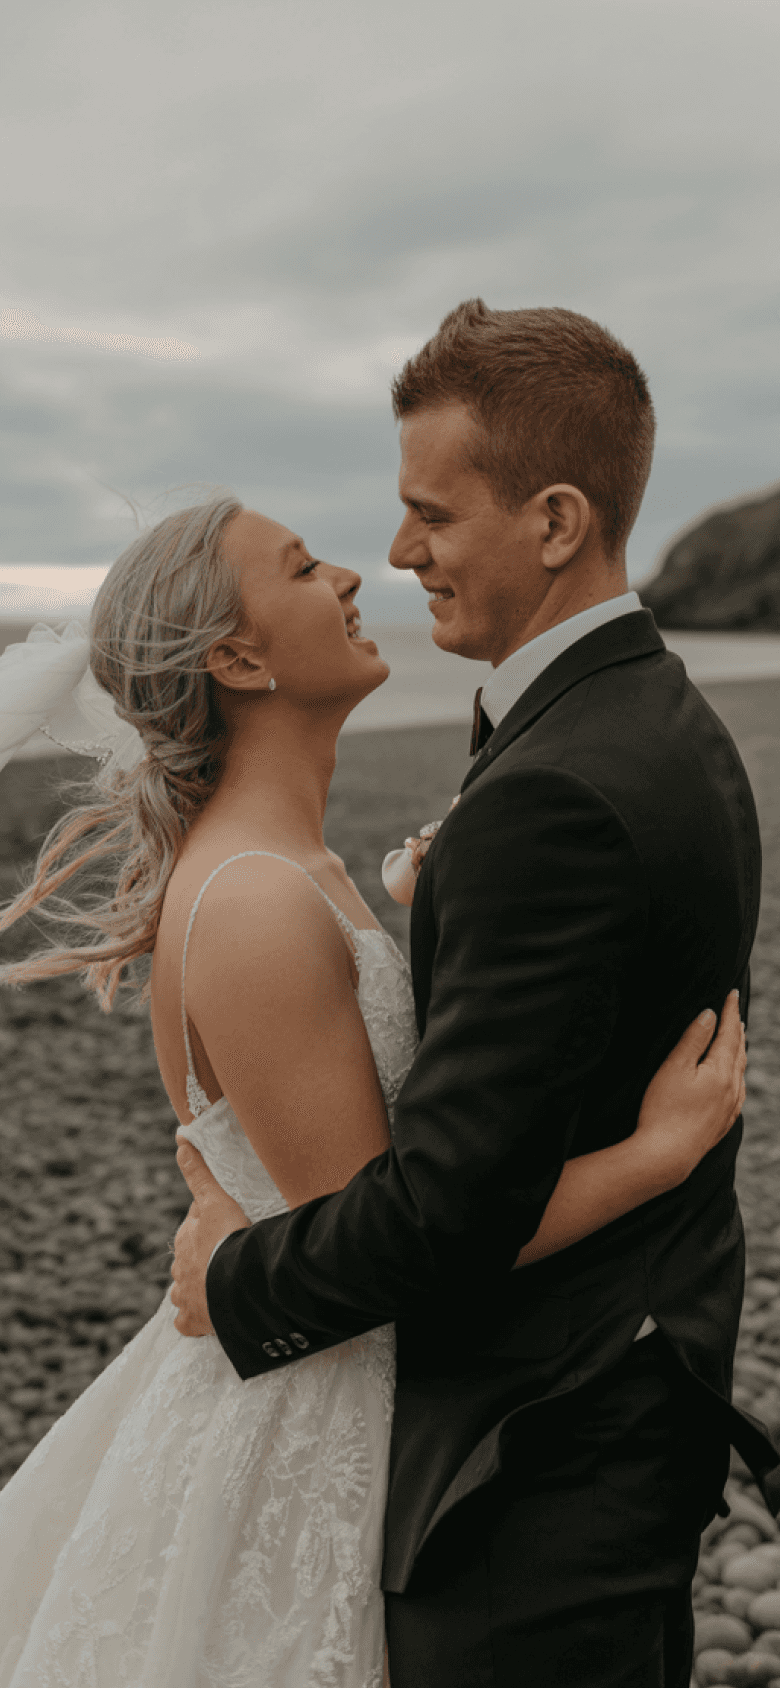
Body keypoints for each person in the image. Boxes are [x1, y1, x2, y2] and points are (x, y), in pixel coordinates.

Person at [0, 480, 746, 1687]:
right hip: (303, 1416)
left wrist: (433, 913)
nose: (352, 577)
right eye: (302, 568)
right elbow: (404, 1237)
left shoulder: (291, 867)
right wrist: (654, 1156)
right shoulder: (255, 900)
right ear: (239, 655)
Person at [170, 303, 780, 1688]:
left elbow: (450, 1211)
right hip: (629, 1391)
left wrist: (236, 1275)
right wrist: (440, 903)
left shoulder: (555, 788)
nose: (396, 555)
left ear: (556, 521)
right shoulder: (652, 714)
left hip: (536, 1465)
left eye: (427, 513)